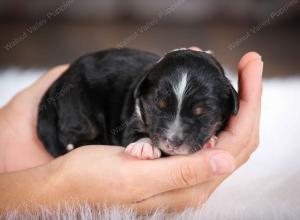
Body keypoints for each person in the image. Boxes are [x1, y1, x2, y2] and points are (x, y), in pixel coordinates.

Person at [0, 47, 263, 214]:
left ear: (230, 103)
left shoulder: (218, 96)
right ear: (141, 94)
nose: (172, 137)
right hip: (81, 92)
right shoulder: (136, 94)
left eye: (201, 115)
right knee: (81, 124)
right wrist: (56, 184)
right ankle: (74, 141)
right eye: (160, 109)